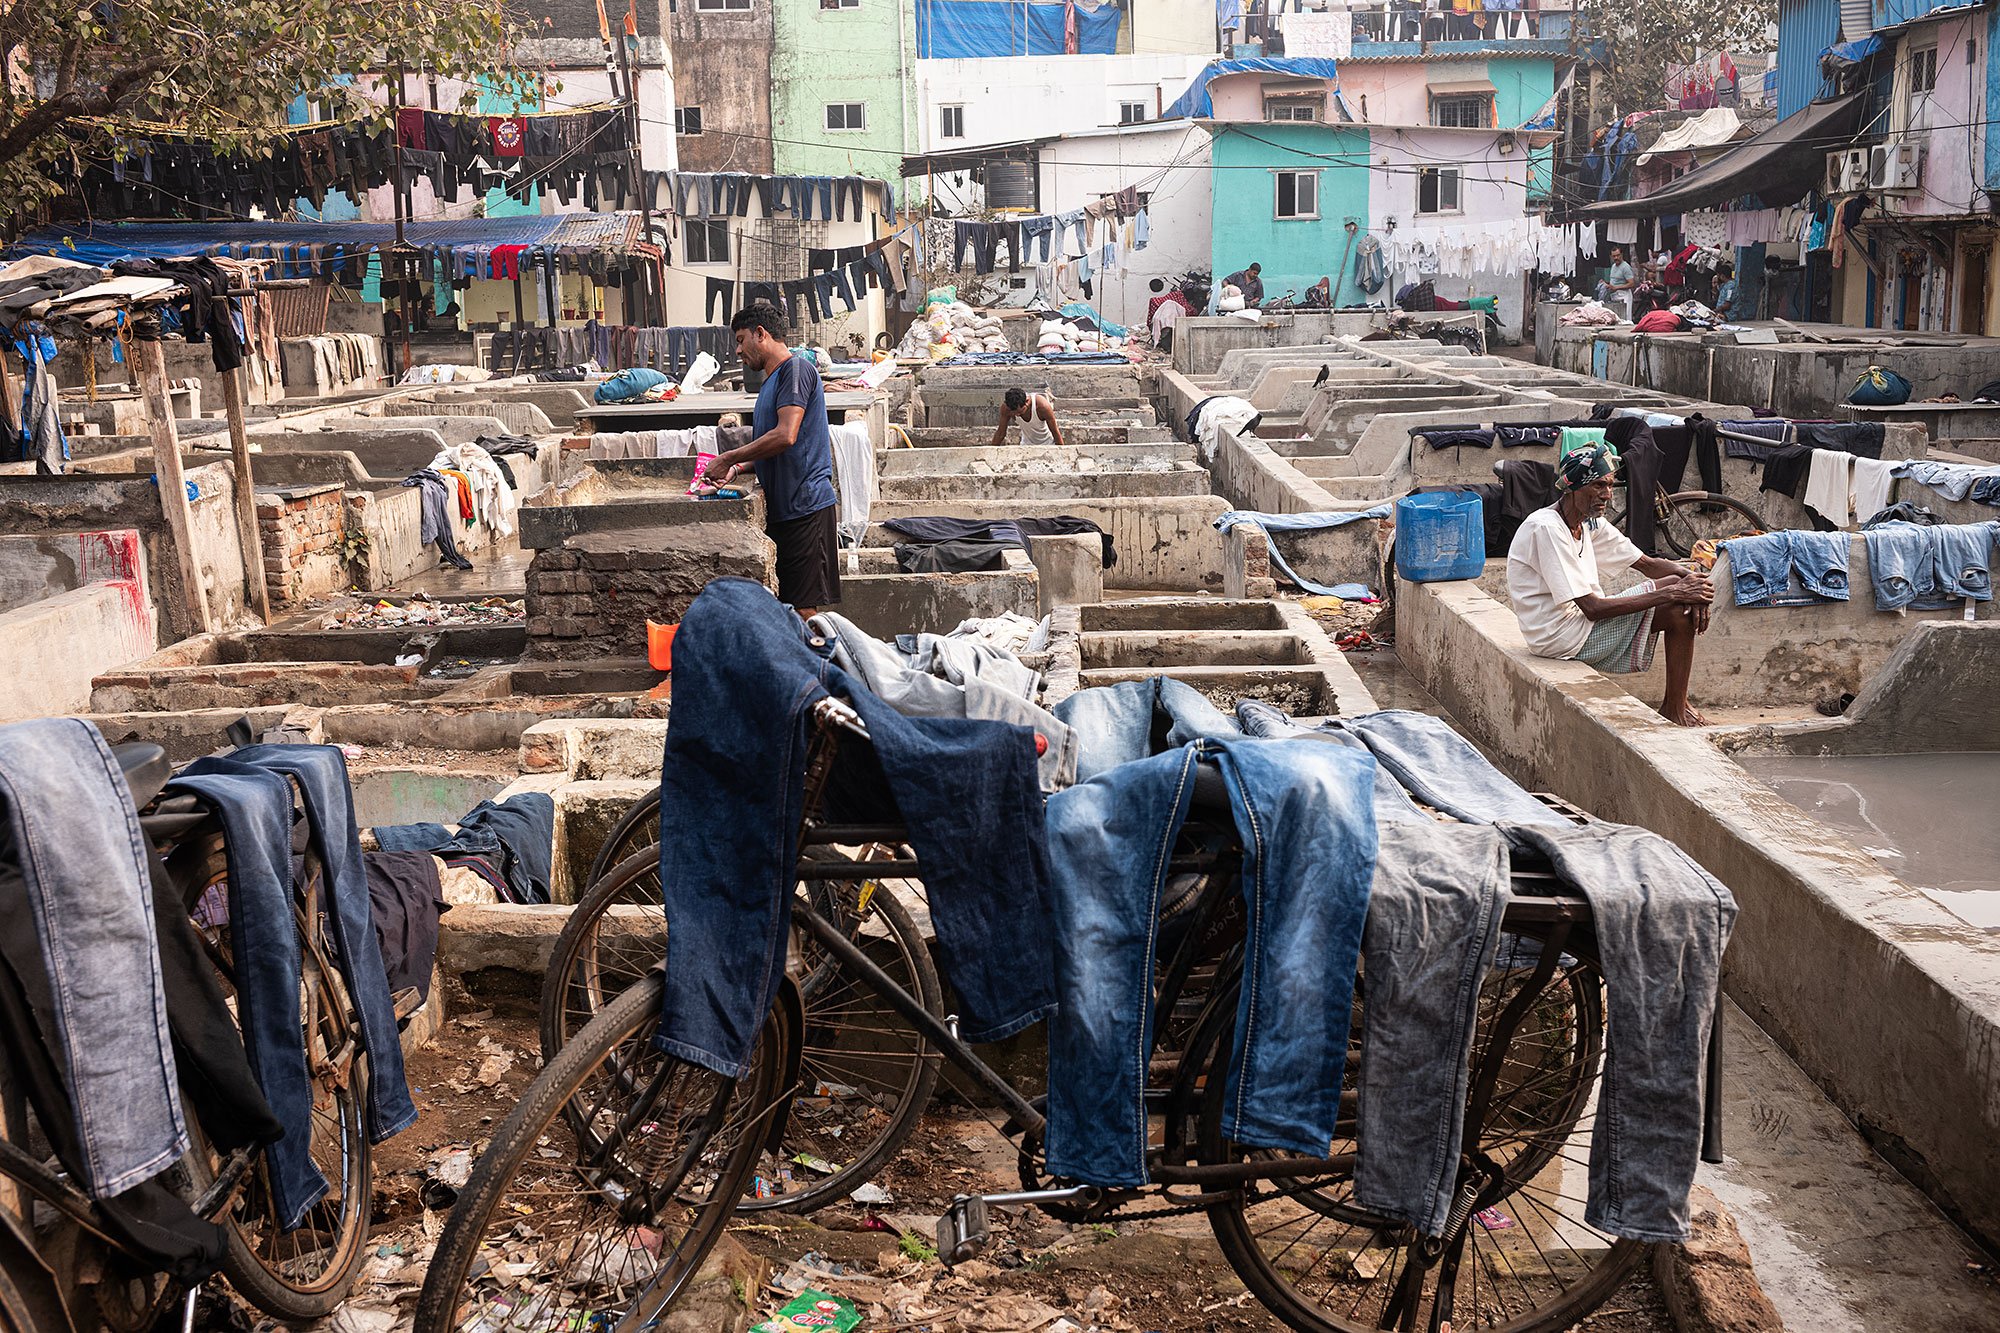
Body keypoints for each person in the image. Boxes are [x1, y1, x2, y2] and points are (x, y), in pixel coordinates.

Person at [1504, 444, 1714, 727]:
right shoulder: (1547, 528)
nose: (1607, 495)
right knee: (1676, 602)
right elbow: (1592, 608)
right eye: (1599, 485)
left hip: (1579, 626)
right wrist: (1676, 591)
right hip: (1557, 636)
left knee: (1680, 598)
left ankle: (1676, 706)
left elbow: (1646, 564)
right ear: (1573, 487)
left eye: (1611, 486)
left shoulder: (1589, 523)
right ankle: (1675, 710)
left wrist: (1691, 581)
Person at [701, 304, 840, 617]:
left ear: (760, 334)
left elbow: (786, 436)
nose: (738, 350)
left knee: (806, 611)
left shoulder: (796, 370)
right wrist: (736, 468)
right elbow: (774, 448)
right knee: (790, 606)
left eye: (740, 340)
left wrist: (729, 456)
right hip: (786, 510)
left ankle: (825, 665)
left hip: (806, 507)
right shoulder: (770, 384)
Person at [991, 387, 1063, 448]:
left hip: (1048, 444)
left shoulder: (1042, 406)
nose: (1017, 415)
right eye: (1014, 413)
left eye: (1020, 412)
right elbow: (1001, 433)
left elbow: (1055, 431)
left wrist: (1061, 451)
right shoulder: (1006, 409)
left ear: (1027, 402)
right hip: (1026, 445)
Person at [1595, 247, 1634, 312]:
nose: (1616, 258)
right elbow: (1615, 281)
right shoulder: (1613, 266)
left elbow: (1631, 283)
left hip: (1624, 296)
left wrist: (1616, 287)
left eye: (1618, 255)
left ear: (1622, 254)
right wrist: (1605, 283)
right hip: (1614, 296)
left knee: (1625, 318)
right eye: (1614, 256)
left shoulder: (1625, 267)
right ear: (1611, 256)